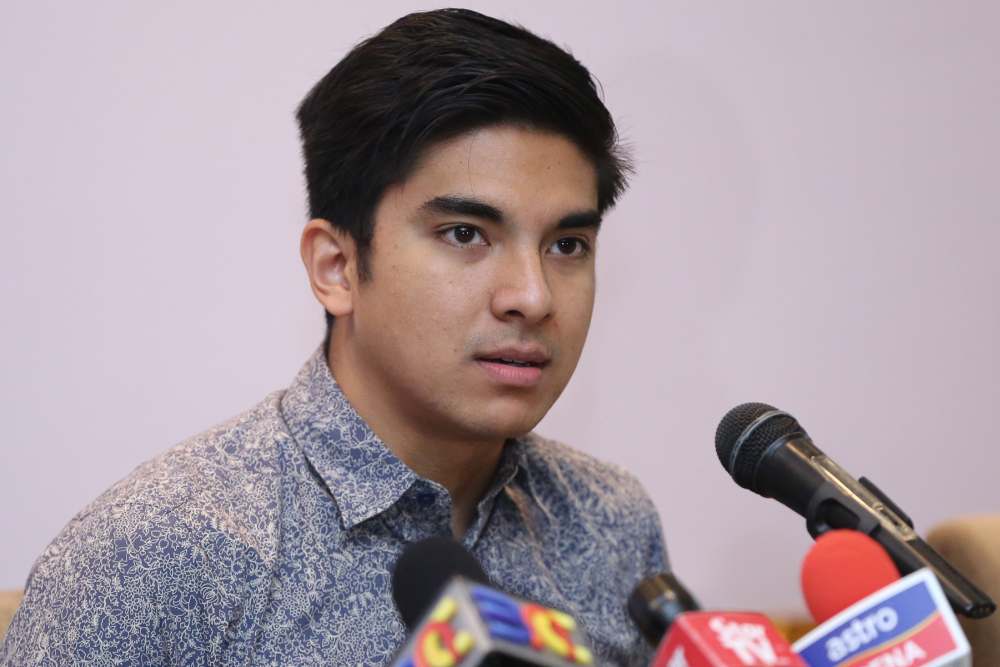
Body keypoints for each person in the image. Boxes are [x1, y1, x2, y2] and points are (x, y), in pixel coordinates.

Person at [1, 8, 668, 665]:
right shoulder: (156, 554)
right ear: (337, 267)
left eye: (567, 243)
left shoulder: (610, 521)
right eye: (466, 234)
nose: (532, 296)